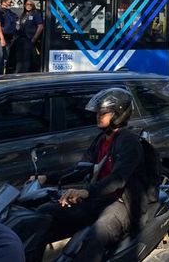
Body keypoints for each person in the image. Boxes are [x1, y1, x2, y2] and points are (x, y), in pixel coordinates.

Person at [36, 87, 148, 262]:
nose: (98, 116)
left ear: (118, 115)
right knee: (43, 214)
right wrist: (46, 177)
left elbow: (117, 180)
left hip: (122, 203)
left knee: (96, 236)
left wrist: (86, 191)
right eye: (98, 112)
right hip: (99, 199)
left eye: (103, 113)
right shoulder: (101, 139)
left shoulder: (129, 142)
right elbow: (80, 168)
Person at [14, 0, 44, 73]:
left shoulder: (35, 14)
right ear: (24, 5)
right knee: (19, 57)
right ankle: (18, 73)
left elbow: (40, 26)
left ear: (33, 6)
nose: (29, 5)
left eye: (31, 4)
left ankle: (24, 74)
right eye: (27, 4)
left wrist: (34, 38)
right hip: (20, 38)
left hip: (29, 39)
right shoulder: (23, 14)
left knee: (26, 58)